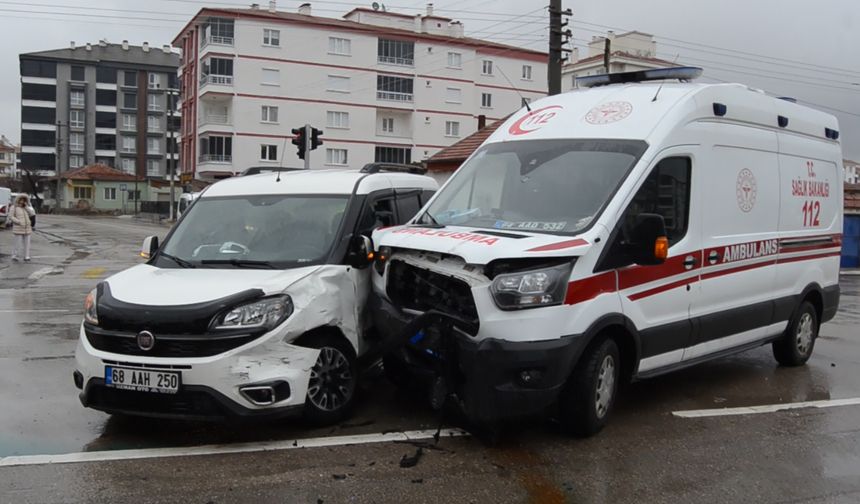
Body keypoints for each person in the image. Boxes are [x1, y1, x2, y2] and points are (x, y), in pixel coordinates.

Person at [10, 195, 35, 262]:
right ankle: (15, 256)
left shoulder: (25, 208)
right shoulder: (14, 207)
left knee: (27, 244)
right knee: (17, 243)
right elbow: (11, 216)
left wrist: (26, 206)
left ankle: (26, 256)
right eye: (21, 199)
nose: (22, 201)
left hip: (27, 228)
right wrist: (18, 221)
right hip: (18, 227)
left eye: (24, 200)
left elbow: (32, 214)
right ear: (18, 199)